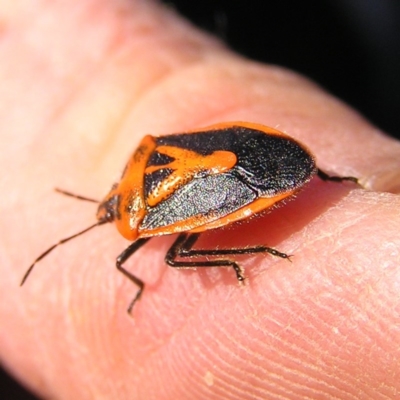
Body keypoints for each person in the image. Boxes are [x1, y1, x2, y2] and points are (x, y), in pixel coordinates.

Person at [1, 0, 399, 398]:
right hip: (261, 141)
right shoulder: (145, 156)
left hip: (255, 169)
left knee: (174, 257)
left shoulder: (141, 221)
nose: (108, 210)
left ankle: (257, 248)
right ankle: (322, 179)